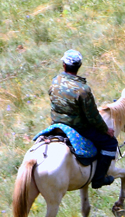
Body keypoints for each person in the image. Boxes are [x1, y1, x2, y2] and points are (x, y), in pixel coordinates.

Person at [49, 49, 117, 188]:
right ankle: (98, 179)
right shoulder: (83, 90)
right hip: (78, 128)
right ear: (79, 66)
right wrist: (105, 130)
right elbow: (92, 117)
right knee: (110, 143)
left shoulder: (55, 81)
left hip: (56, 124)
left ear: (64, 65)